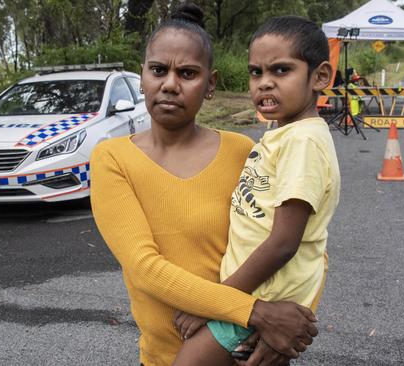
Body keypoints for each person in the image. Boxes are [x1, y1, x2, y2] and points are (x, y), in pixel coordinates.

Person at [90, 4, 318, 366]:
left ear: (210, 85)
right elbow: (145, 267)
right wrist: (256, 312)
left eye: (187, 73)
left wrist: (288, 325)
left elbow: (300, 239)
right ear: (142, 78)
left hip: (252, 351)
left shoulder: (243, 151)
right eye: (158, 70)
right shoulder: (112, 159)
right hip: (169, 356)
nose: (169, 84)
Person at [172, 15, 341, 366]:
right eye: (256, 72)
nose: (264, 84)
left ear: (320, 76)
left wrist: (214, 302)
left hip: (260, 297)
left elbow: (284, 242)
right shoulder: (286, 135)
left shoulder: (303, 142)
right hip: (254, 294)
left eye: (281, 71)